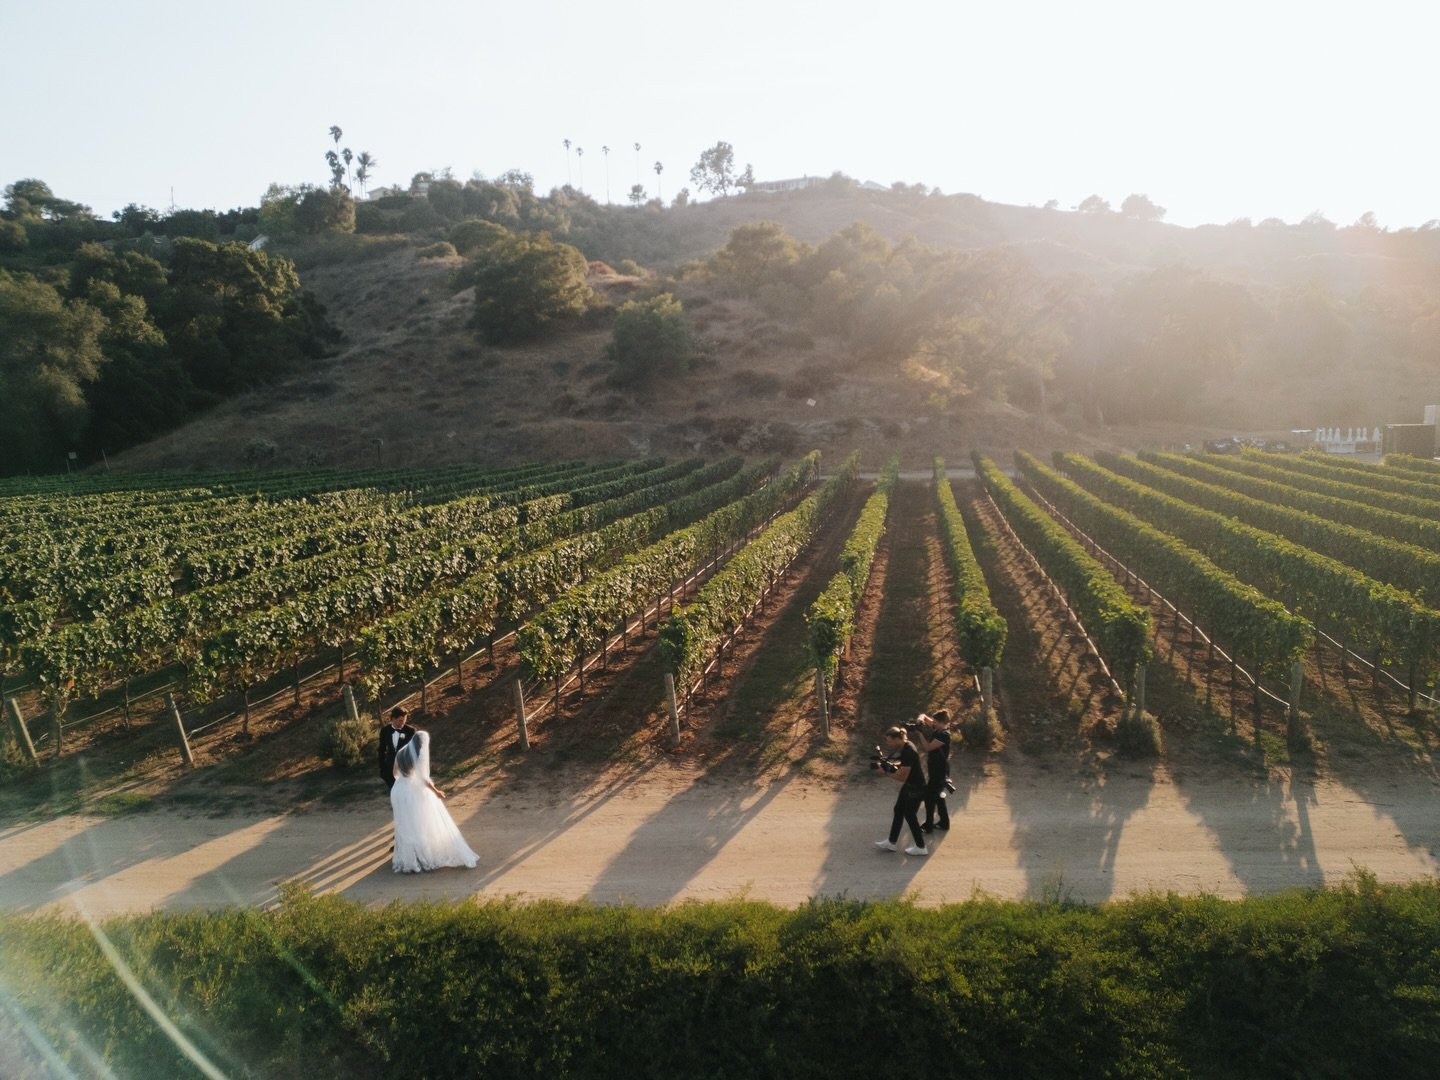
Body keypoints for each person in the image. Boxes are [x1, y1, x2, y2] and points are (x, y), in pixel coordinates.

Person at [390, 729, 479, 873]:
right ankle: (423, 855)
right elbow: (423, 779)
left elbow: (394, 772)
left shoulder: (401, 752)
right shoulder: (418, 756)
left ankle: (410, 858)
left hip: (398, 791)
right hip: (412, 793)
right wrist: (436, 791)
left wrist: (404, 780)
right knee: (420, 823)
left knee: (406, 824)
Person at [874, 725, 928, 856]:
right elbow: (904, 765)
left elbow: (903, 777)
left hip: (916, 787)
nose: (888, 743)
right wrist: (890, 765)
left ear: (897, 738)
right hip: (911, 785)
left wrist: (885, 772)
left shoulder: (908, 751)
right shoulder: (905, 746)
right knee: (898, 810)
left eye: (889, 740)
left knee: (909, 815)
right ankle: (891, 842)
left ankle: (921, 847)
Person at [918, 709, 951, 834]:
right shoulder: (939, 729)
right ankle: (944, 822)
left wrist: (920, 733)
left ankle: (928, 825)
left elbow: (927, 747)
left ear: (942, 723)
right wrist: (921, 719)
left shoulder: (944, 735)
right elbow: (924, 716)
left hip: (939, 771)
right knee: (937, 796)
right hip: (936, 769)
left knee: (929, 797)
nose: (933, 724)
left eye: (936, 722)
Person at [378, 705, 416, 792]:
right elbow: (381, 750)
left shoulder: (410, 731)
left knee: (407, 792)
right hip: (390, 768)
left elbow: (414, 750)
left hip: (405, 768)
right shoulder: (385, 731)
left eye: (404, 720)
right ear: (393, 719)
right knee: (394, 792)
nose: (403, 723)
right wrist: (382, 768)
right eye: (400, 720)